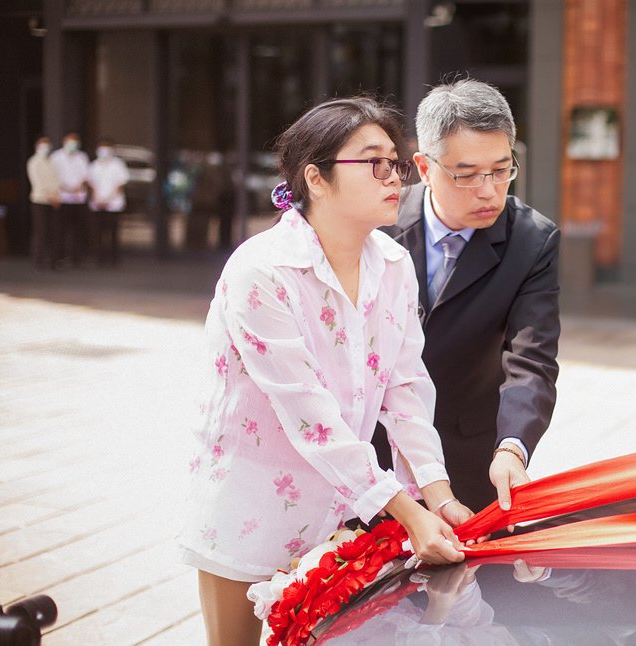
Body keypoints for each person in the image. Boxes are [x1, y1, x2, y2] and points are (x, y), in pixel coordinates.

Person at [176, 97, 473, 646]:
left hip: (339, 509)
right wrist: (409, 514)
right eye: (373, 162)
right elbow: (309, 413)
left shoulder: (394, 264)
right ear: (316, 177)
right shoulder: (261, 270)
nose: (394, 177)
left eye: (397, 163)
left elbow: (406, 389)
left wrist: (441, 495)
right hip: (253, 501)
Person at [376, 79, 561, 513]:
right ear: (424, 167)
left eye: (501, 170)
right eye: (466, 174)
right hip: (372, 448)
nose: (488, 190)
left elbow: (531, 360)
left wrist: (512, 447)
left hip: (470, 455)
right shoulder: (376, 223)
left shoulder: (532, 241)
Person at [49, 133, 90, 267]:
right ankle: (58, 257)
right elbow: (52, 176)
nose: (72, 145)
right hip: (62, 197)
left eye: (75, 142)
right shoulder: (56, 157)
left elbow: (86, 176)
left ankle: (76, 258)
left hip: (78, 198)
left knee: (77, 230)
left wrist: (77, 187)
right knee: (59, 230)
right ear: (64, 142)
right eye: (70, 142)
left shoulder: (82, 157)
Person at [87, 139, 129, 266]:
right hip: (98, 204)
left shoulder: (118, 165)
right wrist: (97, 198)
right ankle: (99, 258)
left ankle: (114, 259)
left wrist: (109, 198)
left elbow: (120, 184)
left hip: (113, 204)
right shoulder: (94, 165)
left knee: (113, 232)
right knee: (98, 233)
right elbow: (90, 184)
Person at [25, 135, 61, 269]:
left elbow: (56, 180)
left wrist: (56, 194)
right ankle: (37, 260)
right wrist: (49, 195)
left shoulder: (51, 161)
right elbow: (37, 182)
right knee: (40, 231)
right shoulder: (34, 162)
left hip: (53, 200)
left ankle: (53, 260)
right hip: (40, 200)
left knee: (53, 231)